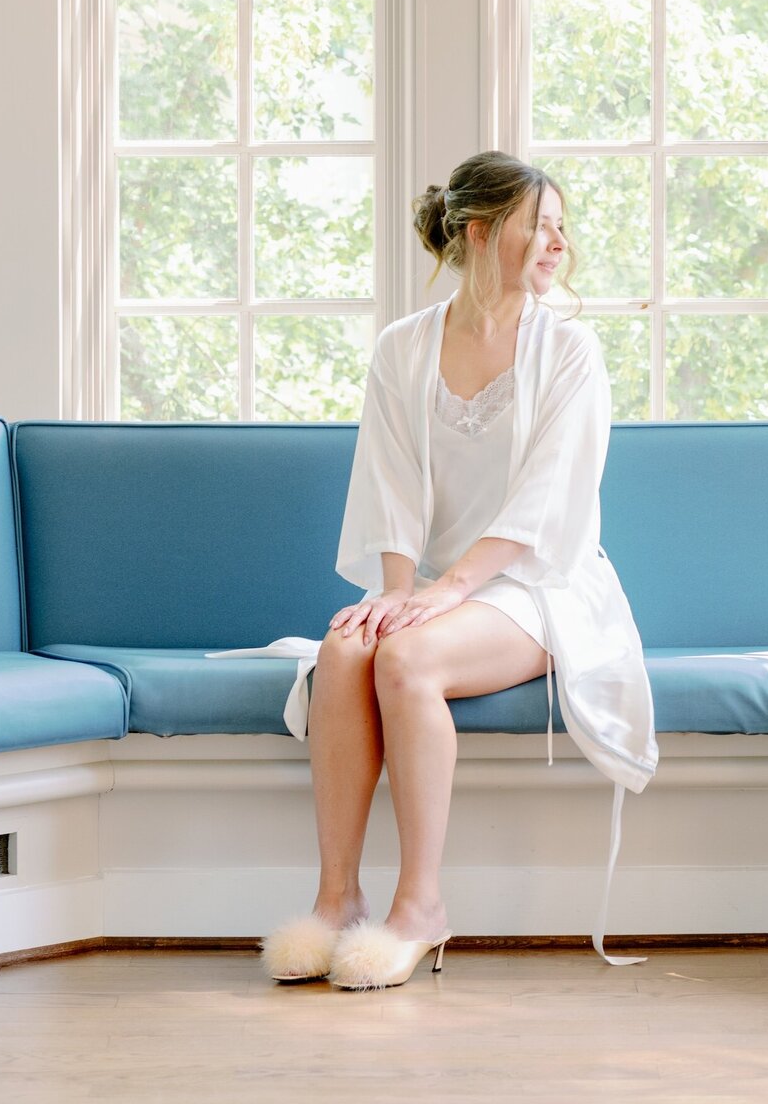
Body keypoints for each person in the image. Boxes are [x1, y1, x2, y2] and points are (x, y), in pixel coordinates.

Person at [247, 151, 658, 990]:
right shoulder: (402, 349)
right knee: (345, 650)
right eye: (539, 225)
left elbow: (550, 501)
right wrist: (398, 592)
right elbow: (389, 486)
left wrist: (442, 595)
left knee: (405, 657)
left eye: (559, 228)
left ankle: (420, 908)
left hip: (542, 586)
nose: (557, 243)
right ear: (479, 232)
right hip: (433, 583)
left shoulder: (570, 351)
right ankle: (335, 902)